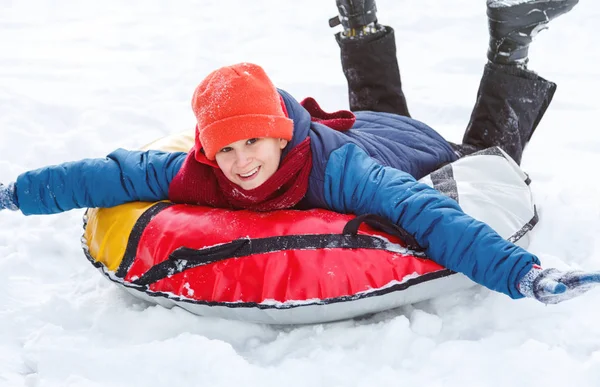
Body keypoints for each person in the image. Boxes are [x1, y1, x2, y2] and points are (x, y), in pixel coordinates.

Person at [0, 0, 597, 306]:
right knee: (380, 108)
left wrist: (526, 276)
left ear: (281, 134)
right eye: (225, 149)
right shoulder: (198, 171)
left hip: (396, 146)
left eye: (253, 141)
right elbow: (109, 176)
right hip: (359, 121)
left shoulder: (339, 173)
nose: (240, 163)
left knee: (491, 159)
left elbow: (427, 212)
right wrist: (14, 194)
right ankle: (357, 19)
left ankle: (512, 41)